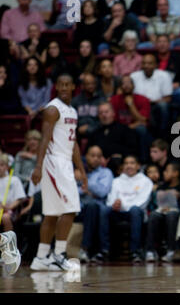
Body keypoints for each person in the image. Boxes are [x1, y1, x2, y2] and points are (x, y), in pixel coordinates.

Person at [30, 74, 88, 271]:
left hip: (65, 163)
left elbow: (73, 144)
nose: (64, 87)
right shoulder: (53, 109)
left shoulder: (72, 110)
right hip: (53, 162)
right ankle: (59, 254)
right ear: (57, 87)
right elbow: (45, 138)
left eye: (67, 84)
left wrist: (82, 170)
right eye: (60, 85)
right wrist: (38, 166)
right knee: (70, 208)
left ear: (73, 86)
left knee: (52, 213)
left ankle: (41, 257)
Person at [105, 155, 153, 262]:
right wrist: (114, 204)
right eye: (126, 163)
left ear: (138, 166)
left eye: (132, 163)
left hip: (136, 214)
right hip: (118, 213)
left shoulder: (146, 181)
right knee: (105, 210)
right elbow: (110, 199)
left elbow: (142, 202)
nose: (129, 166)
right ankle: (104, 250)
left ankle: (135, 251)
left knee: (135, 210)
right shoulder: (116, 181)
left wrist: (122, 205)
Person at [76, 146, 113, 263]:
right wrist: (87, 190)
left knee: (92, 206)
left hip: (96, 208)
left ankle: (85, 249)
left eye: (99, 156)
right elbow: (72, 191)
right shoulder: (76, 171)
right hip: (78, 207)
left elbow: (102, 192)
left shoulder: (106, 172)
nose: (96, 159)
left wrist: (84, 180)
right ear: (86, 156)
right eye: (93, 155)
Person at [145, 162, 180, 262]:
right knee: (154, 215)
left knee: (171, 215)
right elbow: (155, 202)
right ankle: (150, 251)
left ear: (175, 173)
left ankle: (171, 250)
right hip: (161, 211)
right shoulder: (161, 186)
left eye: (167, 171)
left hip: (176, 212)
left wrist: (179, 196)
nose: (164, 173)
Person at [87, 102, 139, 173]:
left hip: (118, 165)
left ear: (113, 113)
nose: (104, 115)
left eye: (106, 112)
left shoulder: (124, 130)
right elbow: (88, 150)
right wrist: (99, 157)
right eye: (101, 113)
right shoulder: (95, 133)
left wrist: (117, 156)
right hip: (97, 165)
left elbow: (132, 149)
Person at [110, 75, 151, 162]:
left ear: (133, 86)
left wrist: (130, 104)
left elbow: (143, 121)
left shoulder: (143, 99)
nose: (126, 85)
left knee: (142, 129)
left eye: (129, 83)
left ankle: (143, 161)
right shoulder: (114, 100)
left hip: (135, 128)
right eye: (123, 83)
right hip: (120, 128)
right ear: (120, 87)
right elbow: (113, 119)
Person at [131, 54, 173, 138]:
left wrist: (150, 102)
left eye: (150, 63)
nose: (146, 66)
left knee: (163, 105)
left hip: (155, 105)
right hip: (139, 108)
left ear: (156, 65)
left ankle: (163, 134)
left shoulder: (164, 75)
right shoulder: (134, 76)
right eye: (144, 63)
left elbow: (168, 98)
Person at [155, 34, 180, 122]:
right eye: (159, 42)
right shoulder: (152, 59)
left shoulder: (178, 58)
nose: (162, 44)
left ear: (169, 44)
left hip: (172, 89)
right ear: (156, 45)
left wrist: (178, 84)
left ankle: (177, 115)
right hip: (155, 89)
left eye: (164, 42)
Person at [71, 73, 106, 139]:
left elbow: (104, 120)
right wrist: (78, 128)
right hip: (77, 135)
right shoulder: (75, 101)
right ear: (83, 86)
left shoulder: (101, 100)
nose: (91, 86)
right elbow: (71, 118)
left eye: (93, 84)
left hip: (97, 134)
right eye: (88, 84)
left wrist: (90, 128)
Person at [0, 154, 26, 232]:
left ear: (7, 167)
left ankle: (9, 242)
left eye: (1, 165)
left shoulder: (14, 180)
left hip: (10, 210)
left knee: (5, 217)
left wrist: (9, 207)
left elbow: (20, 198)